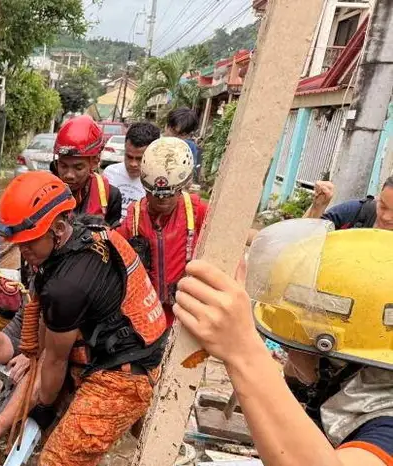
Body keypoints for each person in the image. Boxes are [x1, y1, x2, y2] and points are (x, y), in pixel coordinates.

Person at [0, 171, 169, 466]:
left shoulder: (68, 286)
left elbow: (53, 364)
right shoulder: (85, 233)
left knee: (57, 459)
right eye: (19, 243)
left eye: (29, 243)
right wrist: (31, 353)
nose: (23, 252)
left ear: (58, 229)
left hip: (125, 374)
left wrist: (41, 404)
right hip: (114, 342)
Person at [173, 222, 393, 466]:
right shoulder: (356, 385)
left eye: (291, 345)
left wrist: (243, 352)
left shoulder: (387, 426)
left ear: (332, 354)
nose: (286, 356)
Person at [115, 137, 208, 327]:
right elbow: (116, 246)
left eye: (169, 195)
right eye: (155, 195)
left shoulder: (197, 211)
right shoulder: (135, 215)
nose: (162, 201)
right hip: (146, 312)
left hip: (184, 311)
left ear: (183, 186)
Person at [53, 115, 123, 226]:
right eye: (63, 166)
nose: (69, 175)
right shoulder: (45, 192)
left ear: (95, 162)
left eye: (78, 168)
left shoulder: (110, 196)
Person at [102, 122, 161, 220]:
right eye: (129, 157)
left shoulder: (159, 181)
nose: (133, 164)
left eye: (140, 159)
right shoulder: (109, 174)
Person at [303, 176, 393, 230]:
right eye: (383, 206)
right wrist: (317, 207)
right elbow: (302, 238)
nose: (386, 217)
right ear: (378, 197)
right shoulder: (357, 212)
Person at [164, 107, 201, 181]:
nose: (176, 137)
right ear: (166, 126)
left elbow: (189, 173)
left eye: (181, 135)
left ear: (188, 135)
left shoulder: (190, 148)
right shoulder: (153, 143)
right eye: (173, 131)